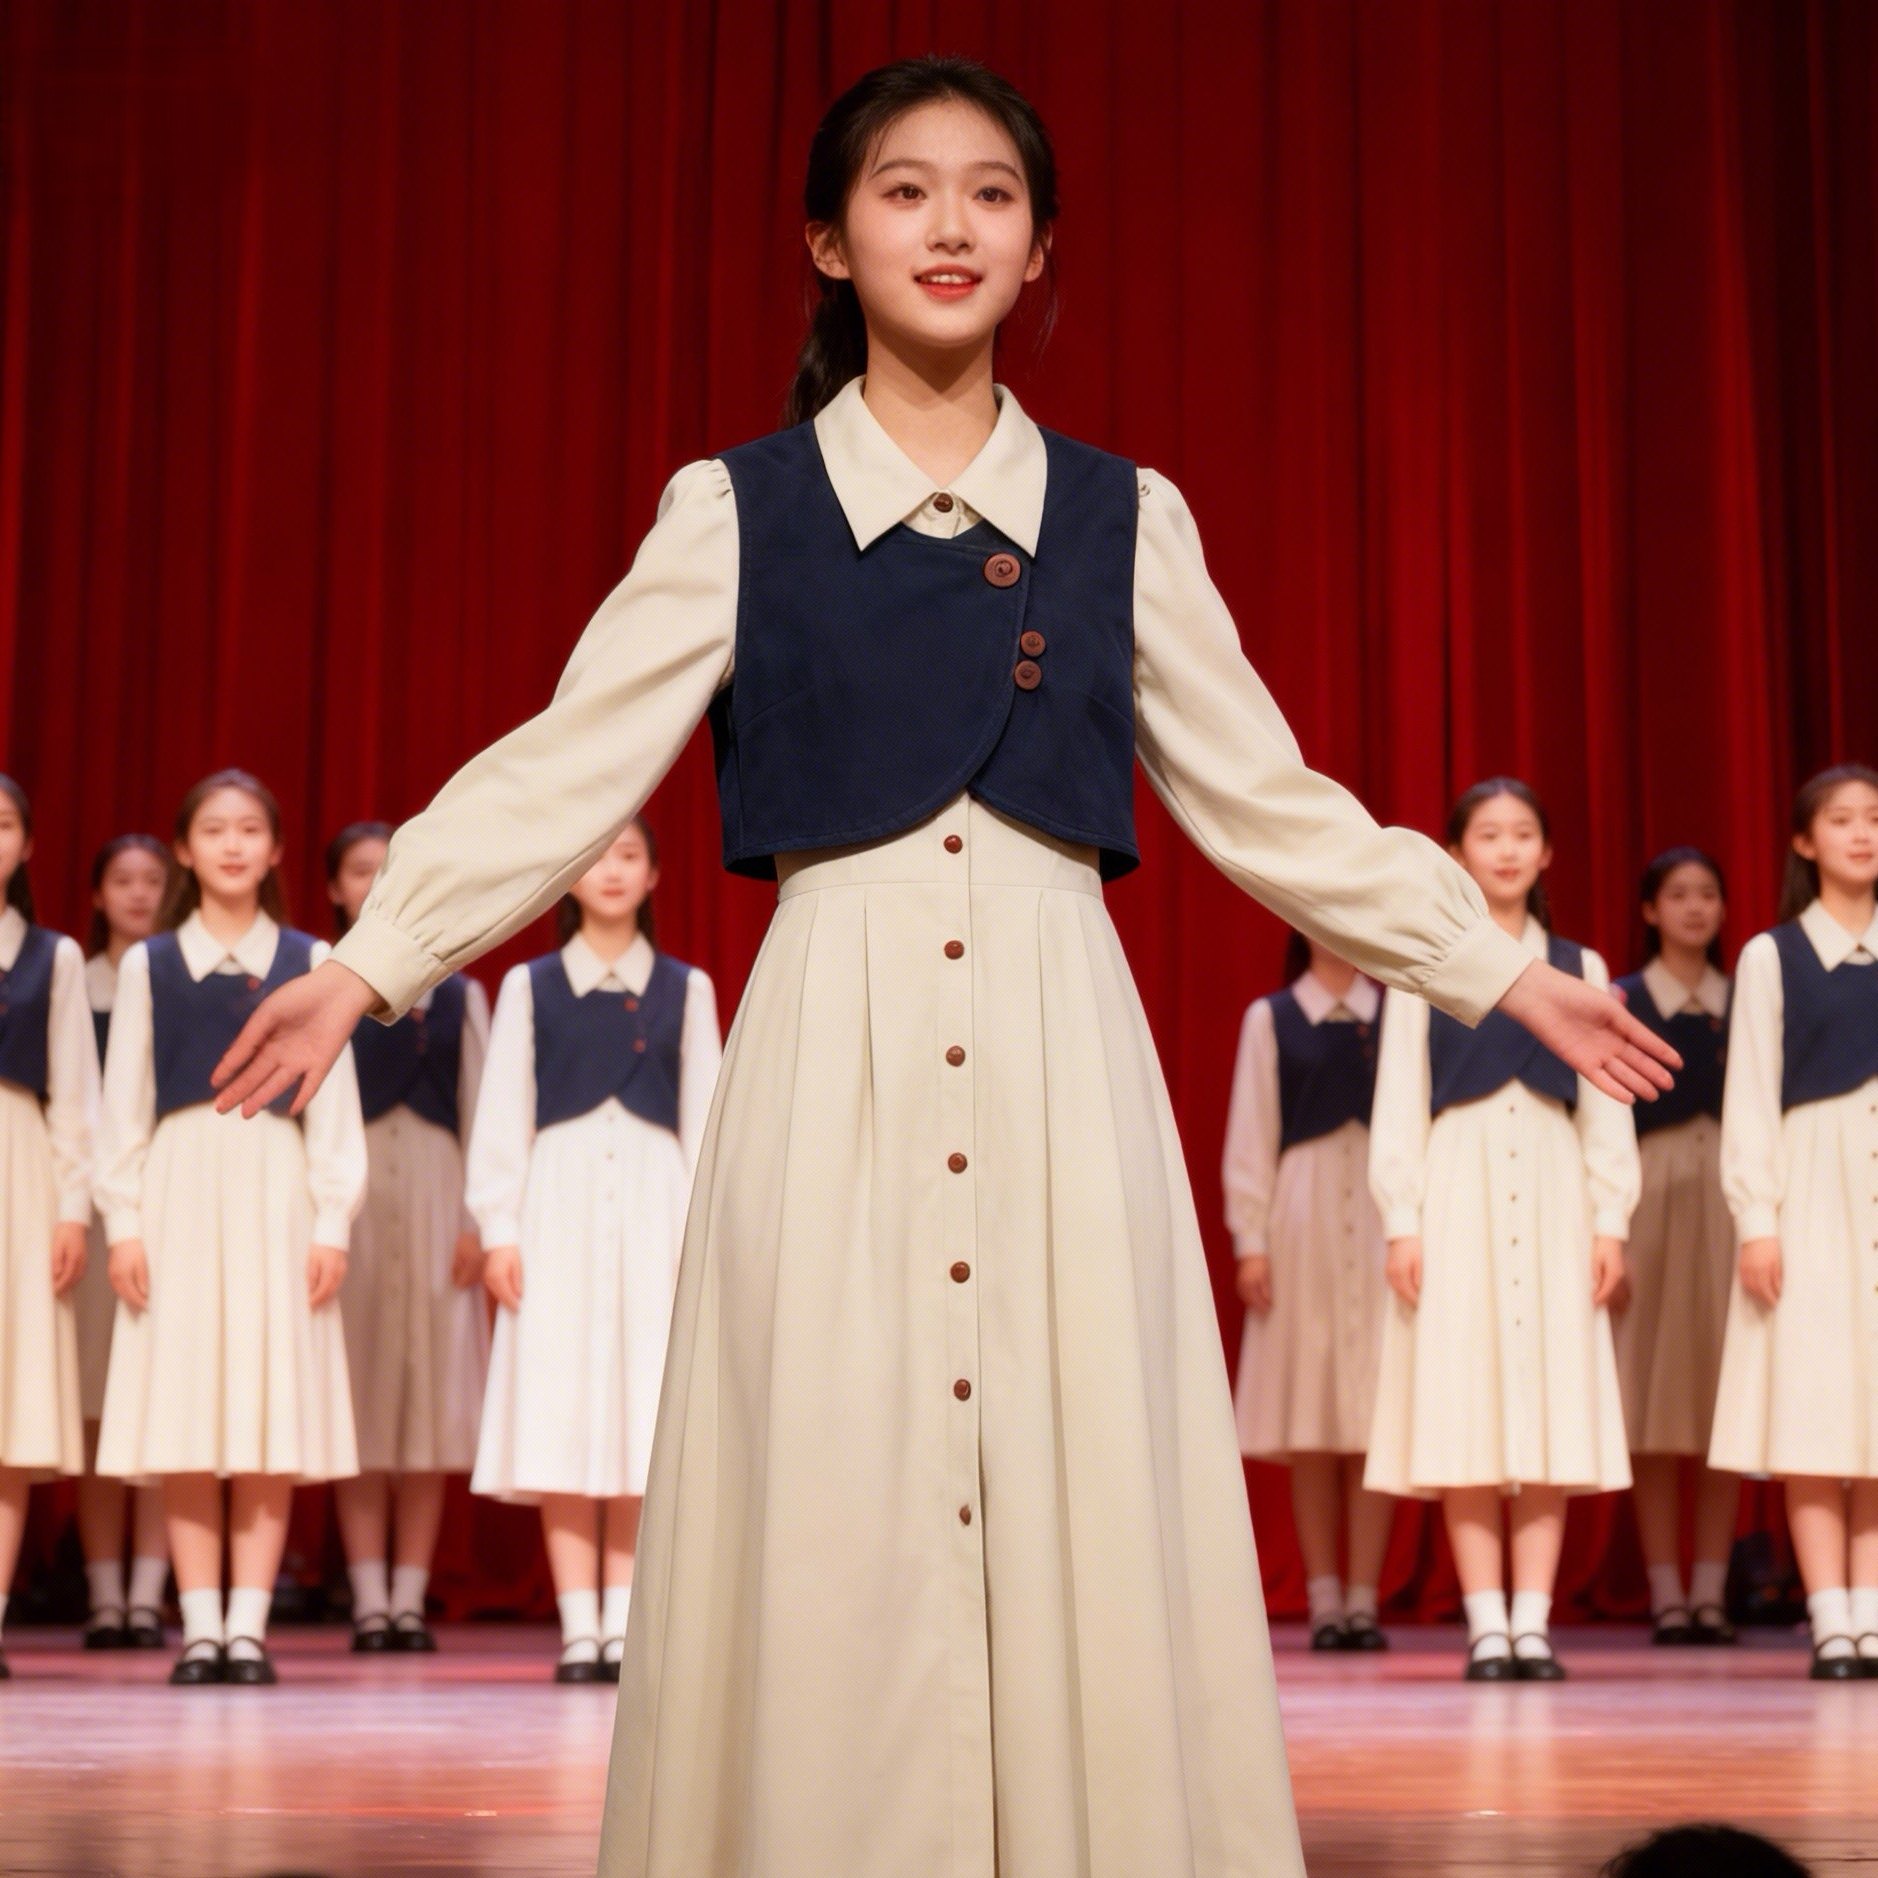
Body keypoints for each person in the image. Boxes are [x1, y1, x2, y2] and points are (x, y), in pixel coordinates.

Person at [210, 57, 1675, 1875]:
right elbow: (567, 762)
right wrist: (373, 958)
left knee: (1081, 1467)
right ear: (828, 240)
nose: (951, 226)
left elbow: (1267, 797)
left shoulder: (1121, 516)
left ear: (1041, 243)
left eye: (991, 193)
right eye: (903, 190)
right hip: (832, 1047)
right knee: (830, 1473)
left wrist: (1489, 964)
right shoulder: (734, 511)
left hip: (1062, 1050)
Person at [96, 770, 366, 1685]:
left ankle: (246, 1629)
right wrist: (122, 1224)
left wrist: (332, 1221)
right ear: (185, 848)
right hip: (177, 1192)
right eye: (214, 829)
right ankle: (199, 1626)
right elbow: (122, 1106)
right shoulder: (150, 964)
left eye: (250, 829)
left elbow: (335, 1108)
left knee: (265, 1408)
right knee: (185, 1410)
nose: (233, 844)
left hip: (274, 1191)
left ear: (276, 848)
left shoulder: (312, 956)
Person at [1365, 779, 1638, 1681]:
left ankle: (1534, 1621)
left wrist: (1611, 1220)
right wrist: (1402, 1221)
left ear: (1547, 852)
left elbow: (1608, 1104)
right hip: (1459, 1190)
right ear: (1456, 853)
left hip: (1557, 1190)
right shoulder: (1428, 960)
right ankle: (1487, 1623)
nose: (1509, 849)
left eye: (1524, 834)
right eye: (1489, 835)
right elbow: (1400, 1098)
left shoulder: (1581, 966)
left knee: (1552, 1399)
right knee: (1465, 1401)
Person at [466, 820, 720, 1682]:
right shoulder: (530, 987)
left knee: (646, 1412)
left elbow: (708, 1122)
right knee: (562, 1407)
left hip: (658, 1212)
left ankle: (629, 1623)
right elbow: (501, 1113)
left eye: (629, 855)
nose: (612, 872)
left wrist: (705, 1239)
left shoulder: (686, 988)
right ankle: (581, 1626)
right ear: (568, 876)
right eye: (596, 856)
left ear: (654, 875)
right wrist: (498, 1229)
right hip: (557, 1212)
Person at [1710, 764, 1878, 1678]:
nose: (1862, 834)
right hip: (1813, 1187)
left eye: (1874, 818)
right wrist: (1758, 1220)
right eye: (1842, 820)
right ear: (1806, 842)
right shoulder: (1772, 956)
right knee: (1814, 1408)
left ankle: (1873, 1611)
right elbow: (1750, 1095)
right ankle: (1830, 1617)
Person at [326, 821, 491, 1654]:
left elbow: (482, 1107)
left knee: (429, 1407)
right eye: (361, 870)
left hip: (435, 1189)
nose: (375, 882)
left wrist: (475, 1221)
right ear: (335, 888)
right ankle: (367, 1601)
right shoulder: (320, 978)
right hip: (352, 1196)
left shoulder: (458, 989)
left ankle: (408, 1600)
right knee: (356, 1398)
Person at [1225, 933, 1394, 1650]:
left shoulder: (1398, 1013)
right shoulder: (1273, 1017)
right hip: (1305, 1217)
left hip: (1385, 1221)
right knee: (1312, 1420)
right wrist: (1251, 1240)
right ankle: (1326, 1600)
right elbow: (1251, 1131)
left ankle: (1364, 1601)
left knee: (1378, 1421)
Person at [1611, 848, 1739, 1645]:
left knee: (1728, 1402)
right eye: (1679, 895)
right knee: (1653, 1403)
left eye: (1708, 895)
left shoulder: (1747, 996)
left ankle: (1712, 1592)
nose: (1695, 908)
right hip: (1648, 1198)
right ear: (1650, 910)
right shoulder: (1622, 999)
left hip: (1729, 1201)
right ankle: (1667, 1593)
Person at [0, 776, 96, 1679]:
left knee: (11, 1402)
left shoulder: (52, 955)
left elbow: (76, 1096)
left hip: (18, 1167)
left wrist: (73, 1208)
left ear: (27, 844)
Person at [74, 833, 172, 1649]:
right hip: (92, 1212)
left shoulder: (176, 977)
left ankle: (149, 1595)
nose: (139, 894)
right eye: (123, 880)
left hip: (163, 1207)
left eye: (152, 881)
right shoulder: (77, 983)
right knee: (97, 1412)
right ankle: (105, 1596)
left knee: (163, 1403)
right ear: (97, 894)